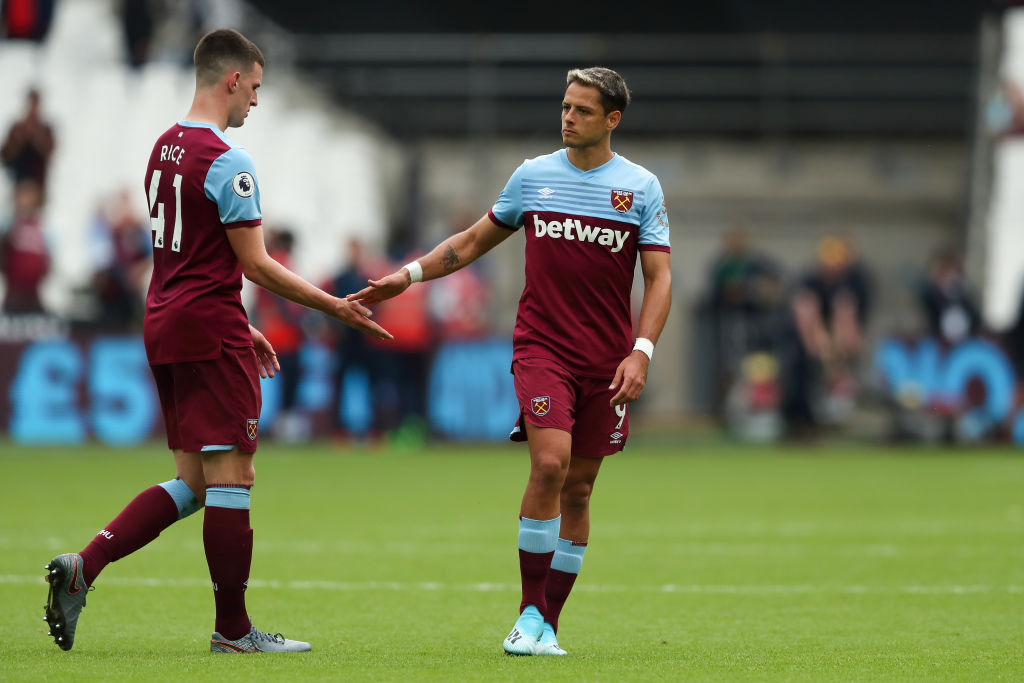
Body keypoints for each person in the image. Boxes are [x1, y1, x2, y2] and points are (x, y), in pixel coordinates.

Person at [42, 28, 391, 655]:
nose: (256, 100)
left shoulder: (162, 148)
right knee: (233, 478)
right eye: (254, 87)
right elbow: (254, 264)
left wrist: (242, 322)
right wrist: (335, 306)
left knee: (195, 484)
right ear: (232, 79)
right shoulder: (229, 161)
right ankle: (233, 631)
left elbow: (188, 257)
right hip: (207, 329)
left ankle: (84, 566)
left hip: (169, 324)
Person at [349, 67, 672, 656]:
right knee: (550, 463)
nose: (568, 117)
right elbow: (470, 243)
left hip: (607, 359)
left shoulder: (640, 188)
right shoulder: (532, 176)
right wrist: (406, 278)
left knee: (580, 489)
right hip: (542, 347)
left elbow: (659, 278)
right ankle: (527, 613)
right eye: (565, 106)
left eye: (582, 110)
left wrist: (641, 352)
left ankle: (547, 623)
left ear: (612, 120)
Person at [1, 89, 55, 192]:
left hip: (37, 188)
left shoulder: (45, 130)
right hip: (19, 185)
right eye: (31, 104)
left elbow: (50, 154)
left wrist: (38, 139)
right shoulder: (17, 129)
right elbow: (5, 156)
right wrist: (18, 140)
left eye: (36, 105)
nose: (33, 109)